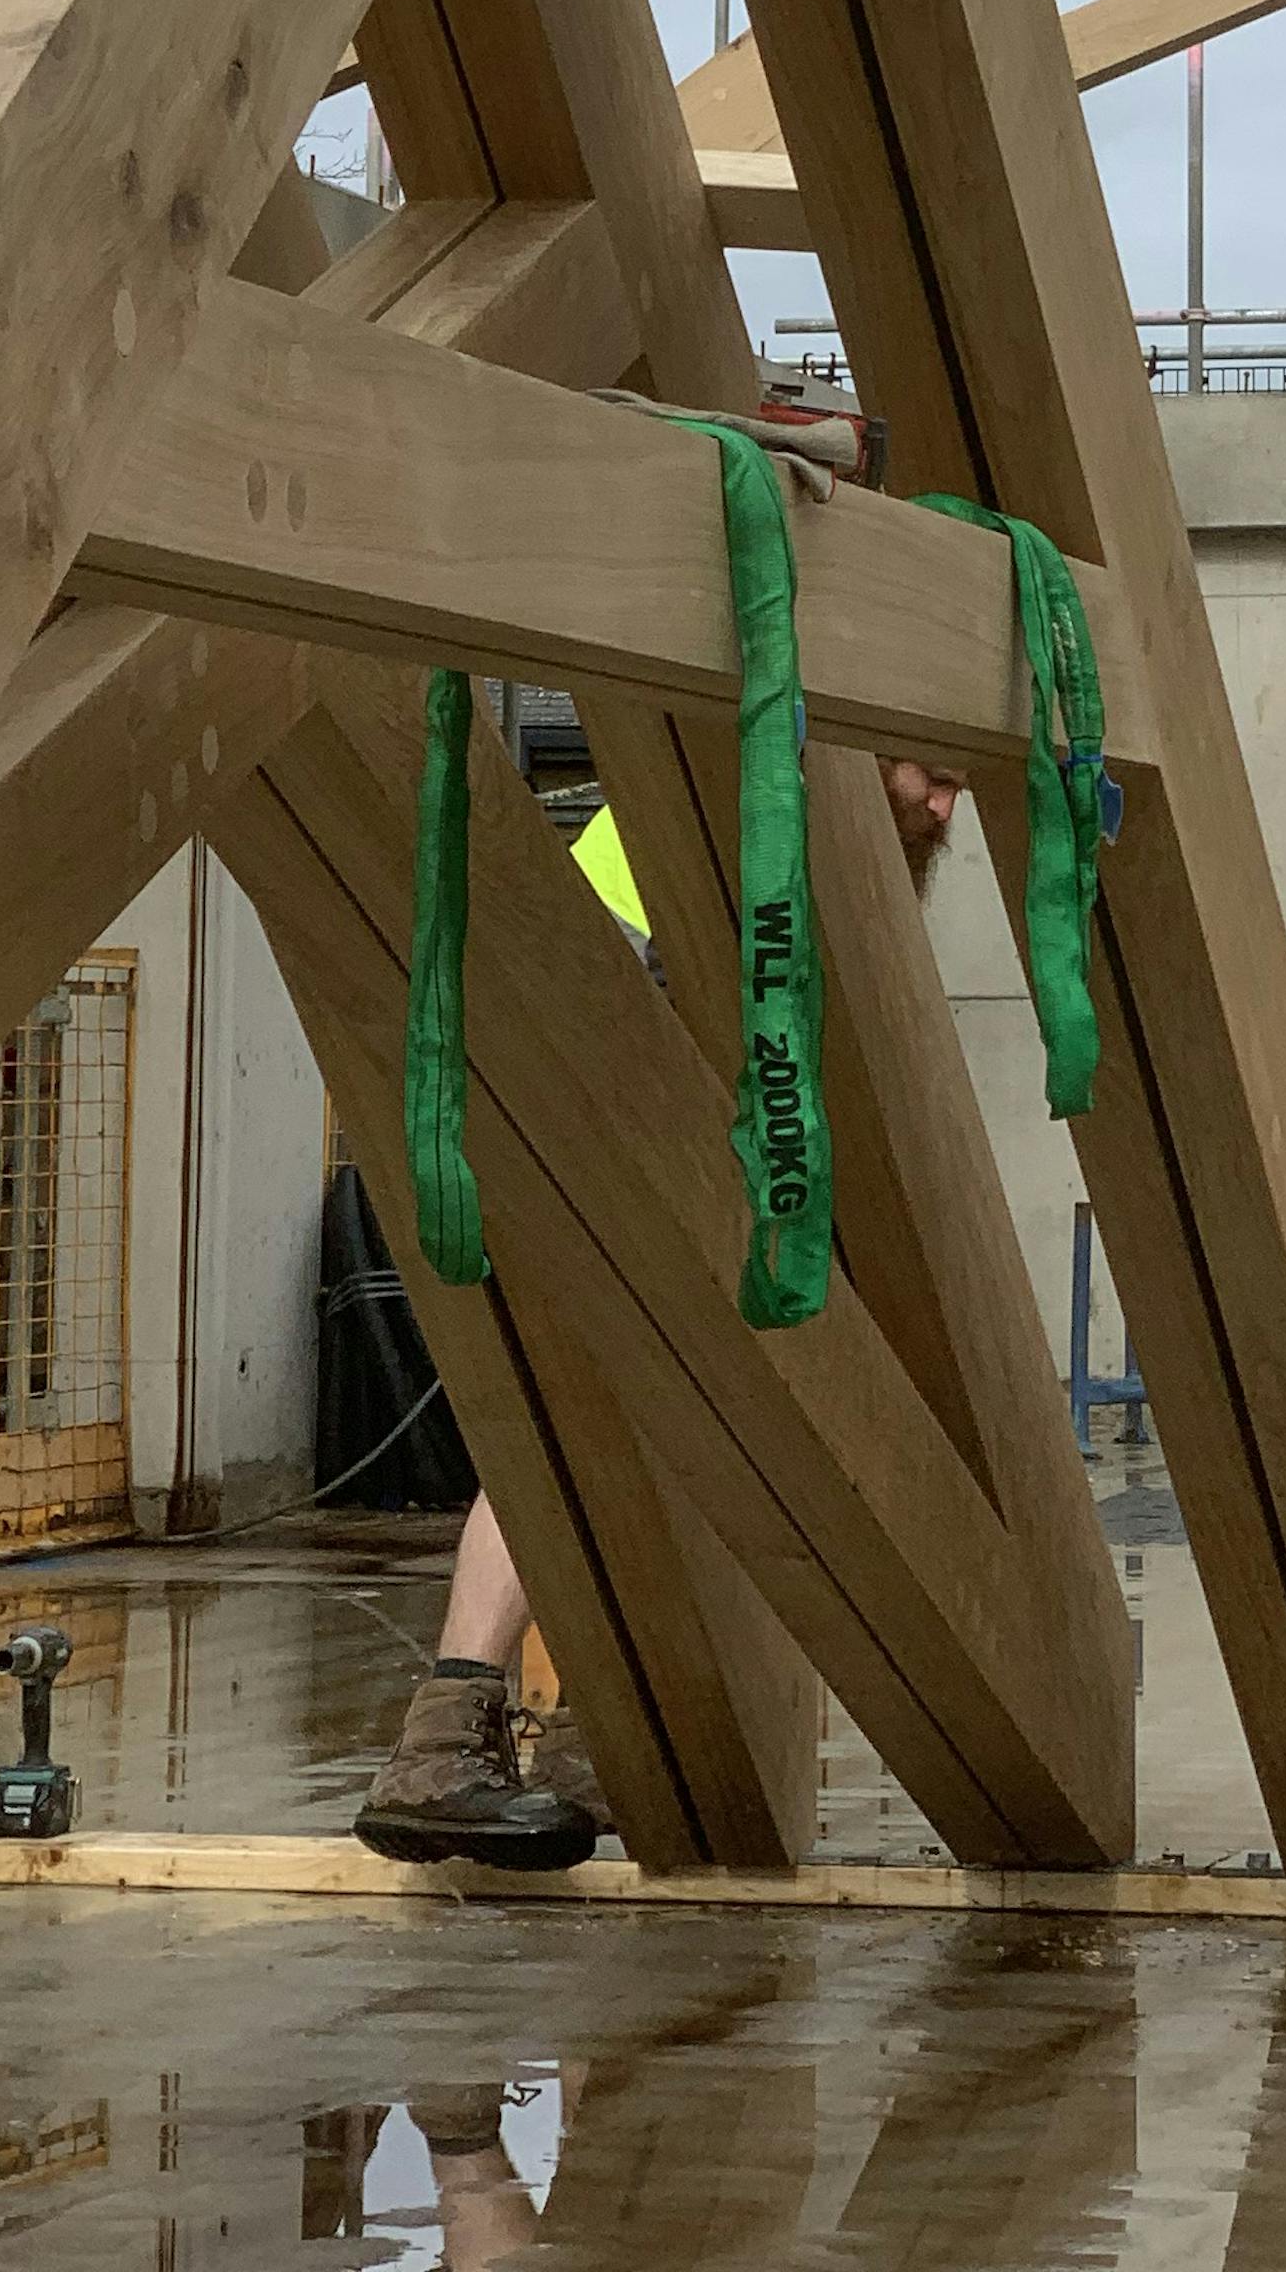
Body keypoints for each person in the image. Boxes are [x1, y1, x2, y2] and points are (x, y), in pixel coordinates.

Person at [354, 746, 963, 1868]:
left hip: (625, 1077)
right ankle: (464, 1727)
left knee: (640, 1416)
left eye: (959, 789)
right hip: (601, 1061)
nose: (940, 805)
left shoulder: (791, 835)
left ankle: (563, 1733)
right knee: (587, 1403)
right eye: (927, 772)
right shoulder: (723, 825)